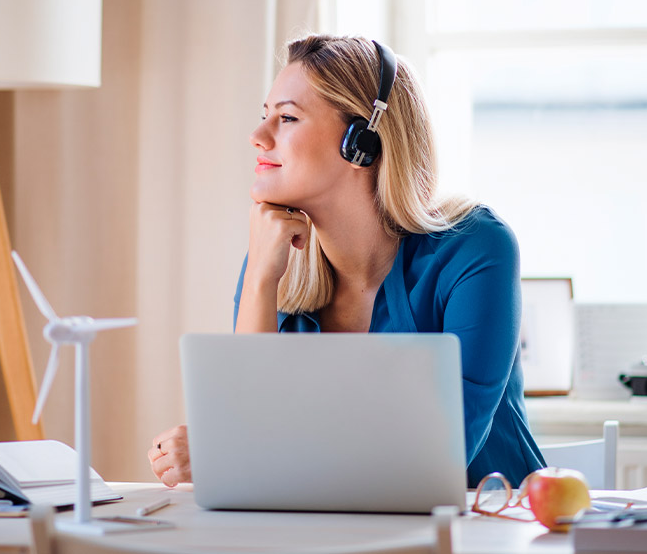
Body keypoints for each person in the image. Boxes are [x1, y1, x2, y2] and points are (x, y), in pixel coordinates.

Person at [148, 34, 545, 488]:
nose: (257, 137)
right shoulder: (272, 261)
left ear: (362, 143)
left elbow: (439, 456)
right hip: (331, 530)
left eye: (288, 118)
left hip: (482, 529)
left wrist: (236, 450)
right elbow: (242, 446)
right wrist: (259, 280)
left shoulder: (476, 249)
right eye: (264, 117)